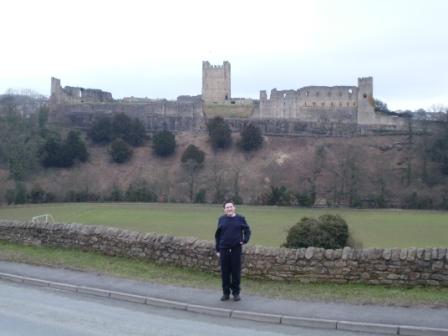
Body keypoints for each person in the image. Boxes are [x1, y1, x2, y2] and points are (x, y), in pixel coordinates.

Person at [214, 200, 251, 302]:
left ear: (234, 208)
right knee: (225, 272)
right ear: (224, 209)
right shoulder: (221, 219)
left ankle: (236, 293)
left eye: (231, 207)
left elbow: (247, 231)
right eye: (227, 207)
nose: (229, 209)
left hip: (236, 249)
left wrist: (244, 240)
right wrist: (217, 249)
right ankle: (226, 293)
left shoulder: (240, 219)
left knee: (235, 272)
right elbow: (218, 235)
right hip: (223, 249)